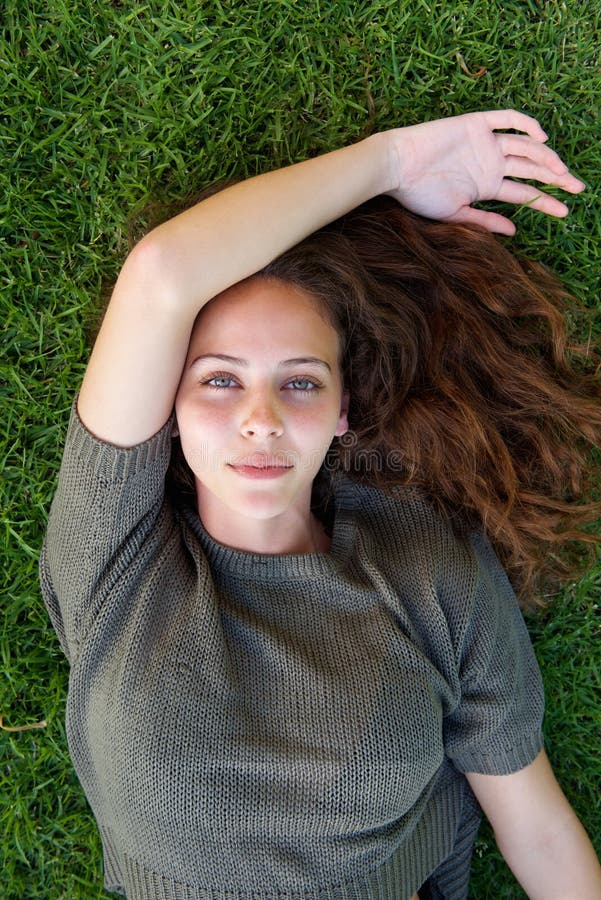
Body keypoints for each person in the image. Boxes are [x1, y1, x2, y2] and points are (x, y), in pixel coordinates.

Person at [40, 110, 601, 900]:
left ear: (342, 410)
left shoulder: (425, 564)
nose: (260, 416)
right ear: (168, 399)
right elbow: (163, 274)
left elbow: (536, 828)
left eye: (299, 381)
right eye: (220, 379)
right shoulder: (116, 560)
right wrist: (394, 160)